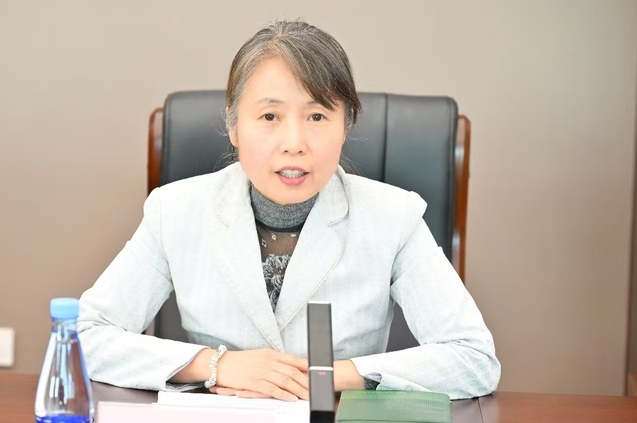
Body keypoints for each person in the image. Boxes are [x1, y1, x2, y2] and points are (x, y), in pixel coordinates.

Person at [77, 20, 500, 401]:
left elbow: (473, 360)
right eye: (269, 116)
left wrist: (328, 377)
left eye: (317, 116)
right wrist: (217, 365)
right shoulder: (174, 210)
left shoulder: (394, 217)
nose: (294, 143)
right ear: (233, 126)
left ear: (346, 125)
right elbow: (87, 336)